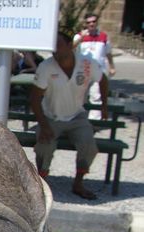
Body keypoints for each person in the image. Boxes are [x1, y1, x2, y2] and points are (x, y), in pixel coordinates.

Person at [30, 29, 108, 200]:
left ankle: (78, 183)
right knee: (44, 146)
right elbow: (35, 98)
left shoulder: (87, 64)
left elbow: (103, 80)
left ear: (70, 45)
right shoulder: (46, 67)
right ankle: (41, 185)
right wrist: (43, 125)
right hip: (51, 117)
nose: (55, 50)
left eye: (58, 45)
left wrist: (104, 105)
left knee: (89, 145)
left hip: (77, 116)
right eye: (52, 47)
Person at [73, 12, 116, 119]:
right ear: (85, 24)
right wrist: (80, 39)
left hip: (98, 70)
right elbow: (70, 48)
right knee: (80, 96)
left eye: (93, 21)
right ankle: (78, 118)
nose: (91, 24)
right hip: (82, 71)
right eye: (89, 22)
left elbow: (108, 53)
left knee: (96, 97)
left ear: (97, 22)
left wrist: (111, 66)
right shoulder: (79, 36)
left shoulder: (103, 36)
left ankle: (94, 122)